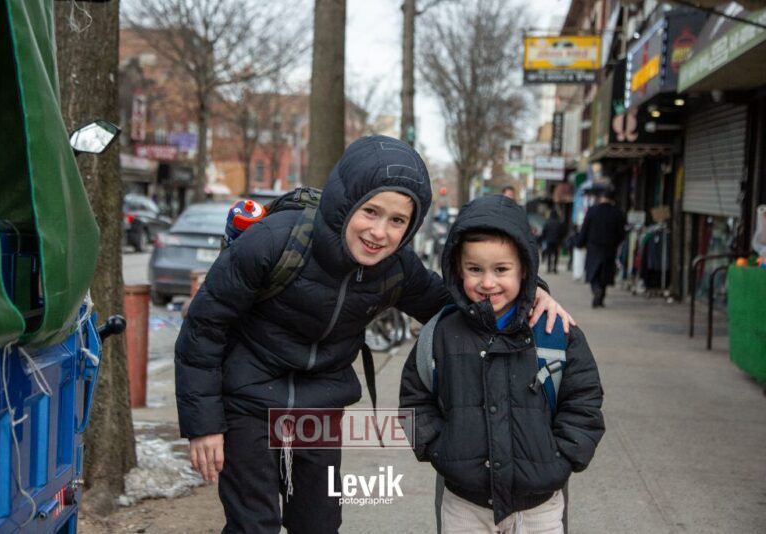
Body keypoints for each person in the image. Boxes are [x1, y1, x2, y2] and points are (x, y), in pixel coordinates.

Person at [175, 136, 574, 534]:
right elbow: (203, 327)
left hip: (319, 410)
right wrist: (204, 424)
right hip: (248, 400)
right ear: (346, 202)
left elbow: (457, 303)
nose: (379, 232)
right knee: (253, 526)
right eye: (370, 211)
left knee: (319, 525)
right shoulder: (274, 241)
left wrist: (530, 292)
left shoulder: (396, 267)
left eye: (397, 221)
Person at [400, 195, 604, 534]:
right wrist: (439, 448)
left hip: (540, 505)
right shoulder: (440, 334)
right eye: (475, 269)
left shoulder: (554, 331)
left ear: (525, 269)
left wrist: (562, 457)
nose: (487, 282)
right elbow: (415, 398)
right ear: (457, 268)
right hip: (465, 503)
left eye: (501, 270)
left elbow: (584, 401)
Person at [575, 187, 626, 308]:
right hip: (609, 248)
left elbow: (585, 229)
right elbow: (621, 233)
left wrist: (580, 243)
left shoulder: (592, 211)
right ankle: (601, 297)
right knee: (605, 273)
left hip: (593, 247)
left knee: (594, 272)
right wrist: (615, 243)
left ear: (601, 198)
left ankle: (596, 290)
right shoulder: (617, 213)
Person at [540, 209, 566, 274]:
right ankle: (554, 268)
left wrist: (543, 239)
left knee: (549, 255)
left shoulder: (547, 223)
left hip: (549, 241)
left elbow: (544, 232)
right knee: (556, 255)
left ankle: (549, 268)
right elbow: (562, 233)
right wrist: (561, 240)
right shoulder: (559, 223)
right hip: (557, 241)